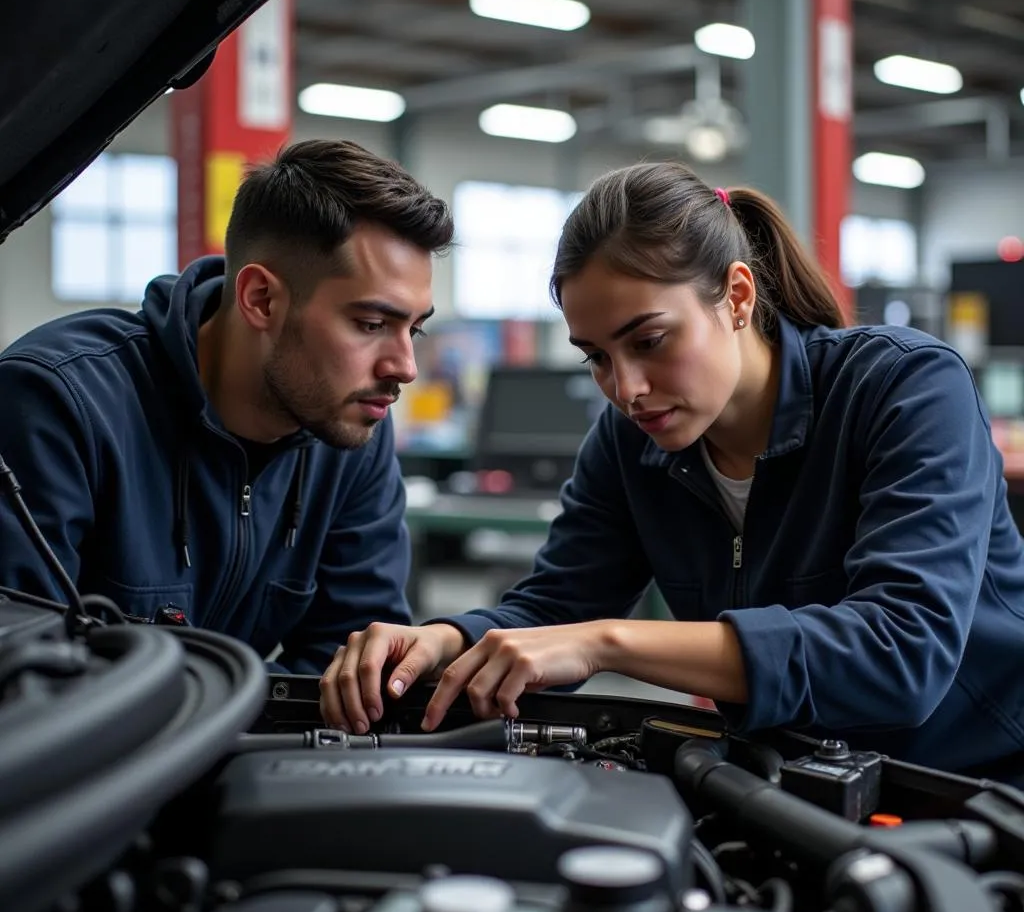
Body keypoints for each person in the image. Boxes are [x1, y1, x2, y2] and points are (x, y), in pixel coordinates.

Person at [320, 159, 1024, 781]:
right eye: (596, 356)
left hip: (973, 787)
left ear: (738, 297)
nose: (625, 389)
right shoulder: (631, 443)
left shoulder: (904, 388)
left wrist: (606, 643)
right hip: (793, 782)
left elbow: (900, 655)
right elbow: (557, 609)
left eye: (650, 341)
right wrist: (445, 640)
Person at [0, 138, 453, 674]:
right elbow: (23, 674)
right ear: (261, 299)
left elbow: (349, 661)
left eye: (414, 329)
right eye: (371, 325)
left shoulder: (350, 429)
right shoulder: (59, 402)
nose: (404, 367)